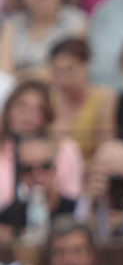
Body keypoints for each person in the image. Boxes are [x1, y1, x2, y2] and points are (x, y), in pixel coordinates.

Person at [2, 78, 83, 209]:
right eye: (22, 106)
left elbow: (73, 200)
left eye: (38, 109)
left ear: (47, 116)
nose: (28, 115)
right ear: (8, 109)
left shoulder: (66, 149)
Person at [0, 0, 88, 75]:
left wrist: (25, 76)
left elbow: (70, 69)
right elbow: (4, 71)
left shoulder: (77, 23)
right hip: (16, 89)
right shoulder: (12, 24)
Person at [48, 38, 114, 160]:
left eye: (70, 70)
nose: (63, 79)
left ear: (85, 67)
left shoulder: (104, 98)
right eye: (58, 71)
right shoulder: (50, 99)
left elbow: (106, 149)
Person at [0, 134, 77, 239]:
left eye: (45, 166)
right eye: (28, 169)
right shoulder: (10, 215)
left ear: (55, 169)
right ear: (20, 175)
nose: (37, 174)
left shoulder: (77, 209)